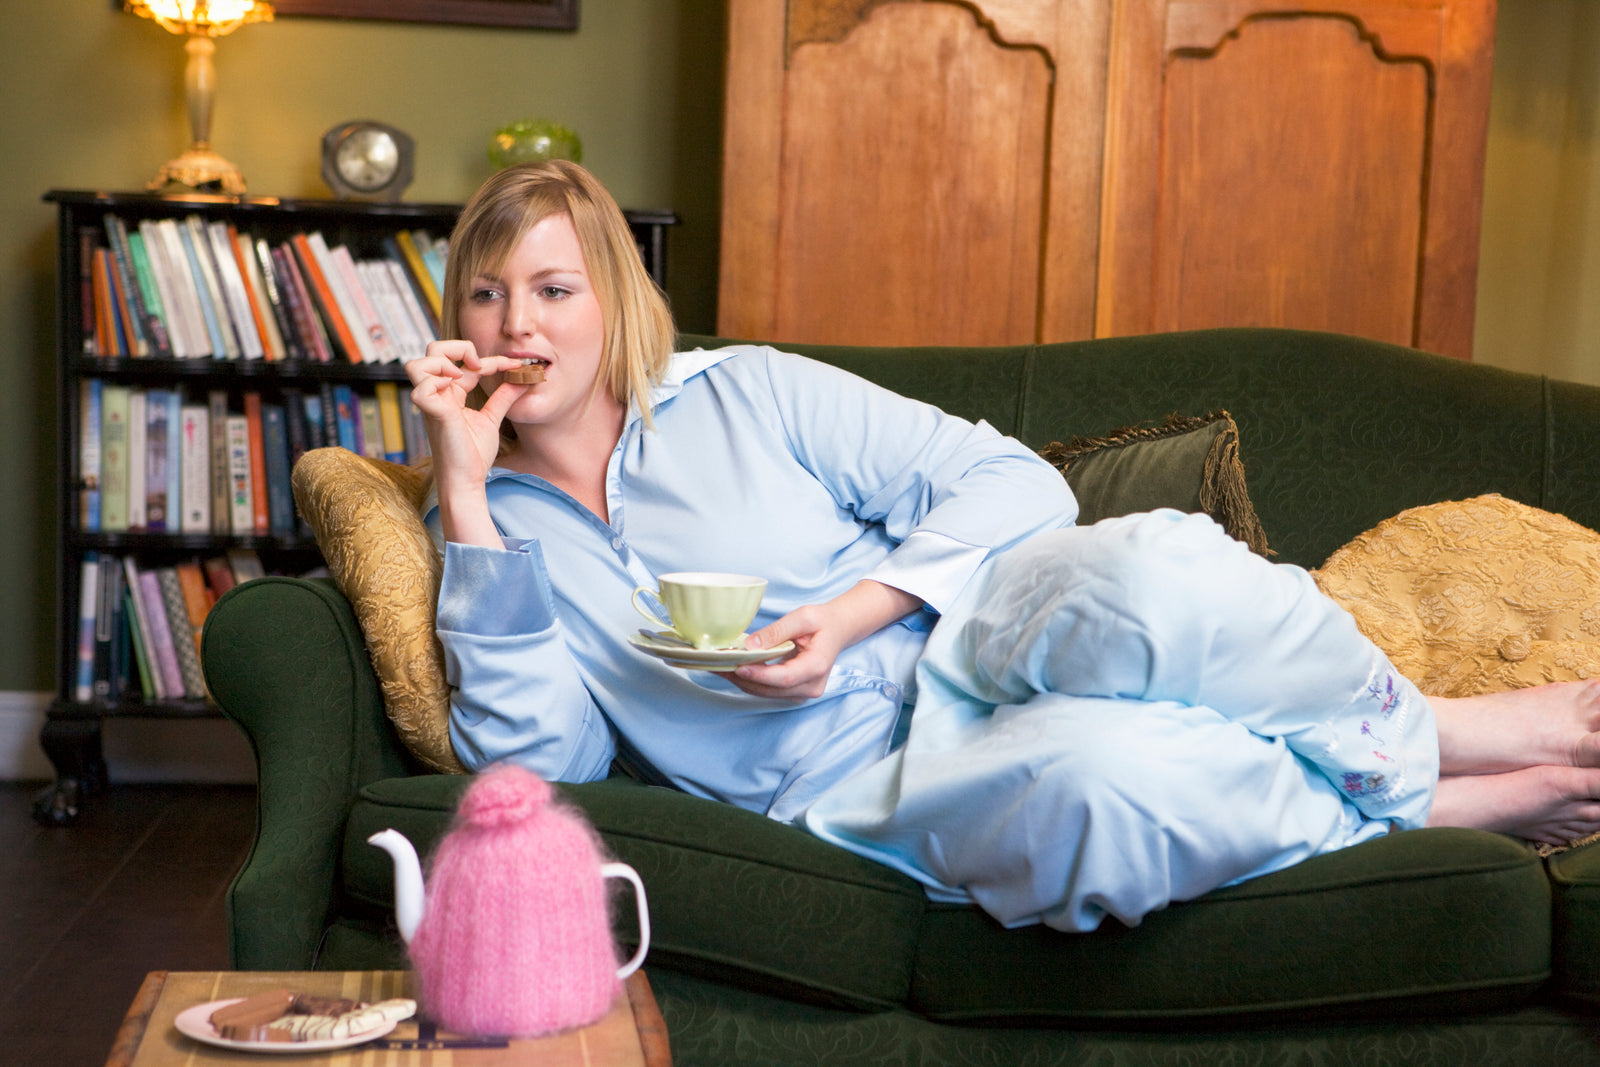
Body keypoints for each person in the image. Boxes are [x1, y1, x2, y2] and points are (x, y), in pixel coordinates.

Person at [408, 159, 1600, 933]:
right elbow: (536, 764)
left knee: (1159, 569)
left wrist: (854, 613)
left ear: (612, 301)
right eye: (485, 296)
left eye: (554, 290)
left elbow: (1007, 479)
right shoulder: (485, 533)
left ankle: (1431, 731)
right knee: (1104, 787)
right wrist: (466, 497)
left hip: (973, 633)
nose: (517, 325)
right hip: (855, 783)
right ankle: (1428, 806)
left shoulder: (748, 392)